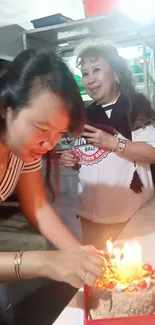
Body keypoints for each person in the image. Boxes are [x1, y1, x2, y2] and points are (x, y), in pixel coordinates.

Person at [0, 49, 105, 289]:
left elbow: (36, 204)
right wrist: (45, 262)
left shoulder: (21, 149)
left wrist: (80, 255)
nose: (49, 145)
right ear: (7, 108)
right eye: (41, 128)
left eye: (59, 134)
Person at [61, 41, 155, 250]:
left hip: (129, 215)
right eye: (85, 73)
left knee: (130, 276)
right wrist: (74, 160)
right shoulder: (85, 115)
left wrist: (113, 143)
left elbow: (152, 153)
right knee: (99, 276)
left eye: (96, 70)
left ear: (116, 74)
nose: (90, 79)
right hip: (90, 216)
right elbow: (90, 156)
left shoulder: (136, 108)